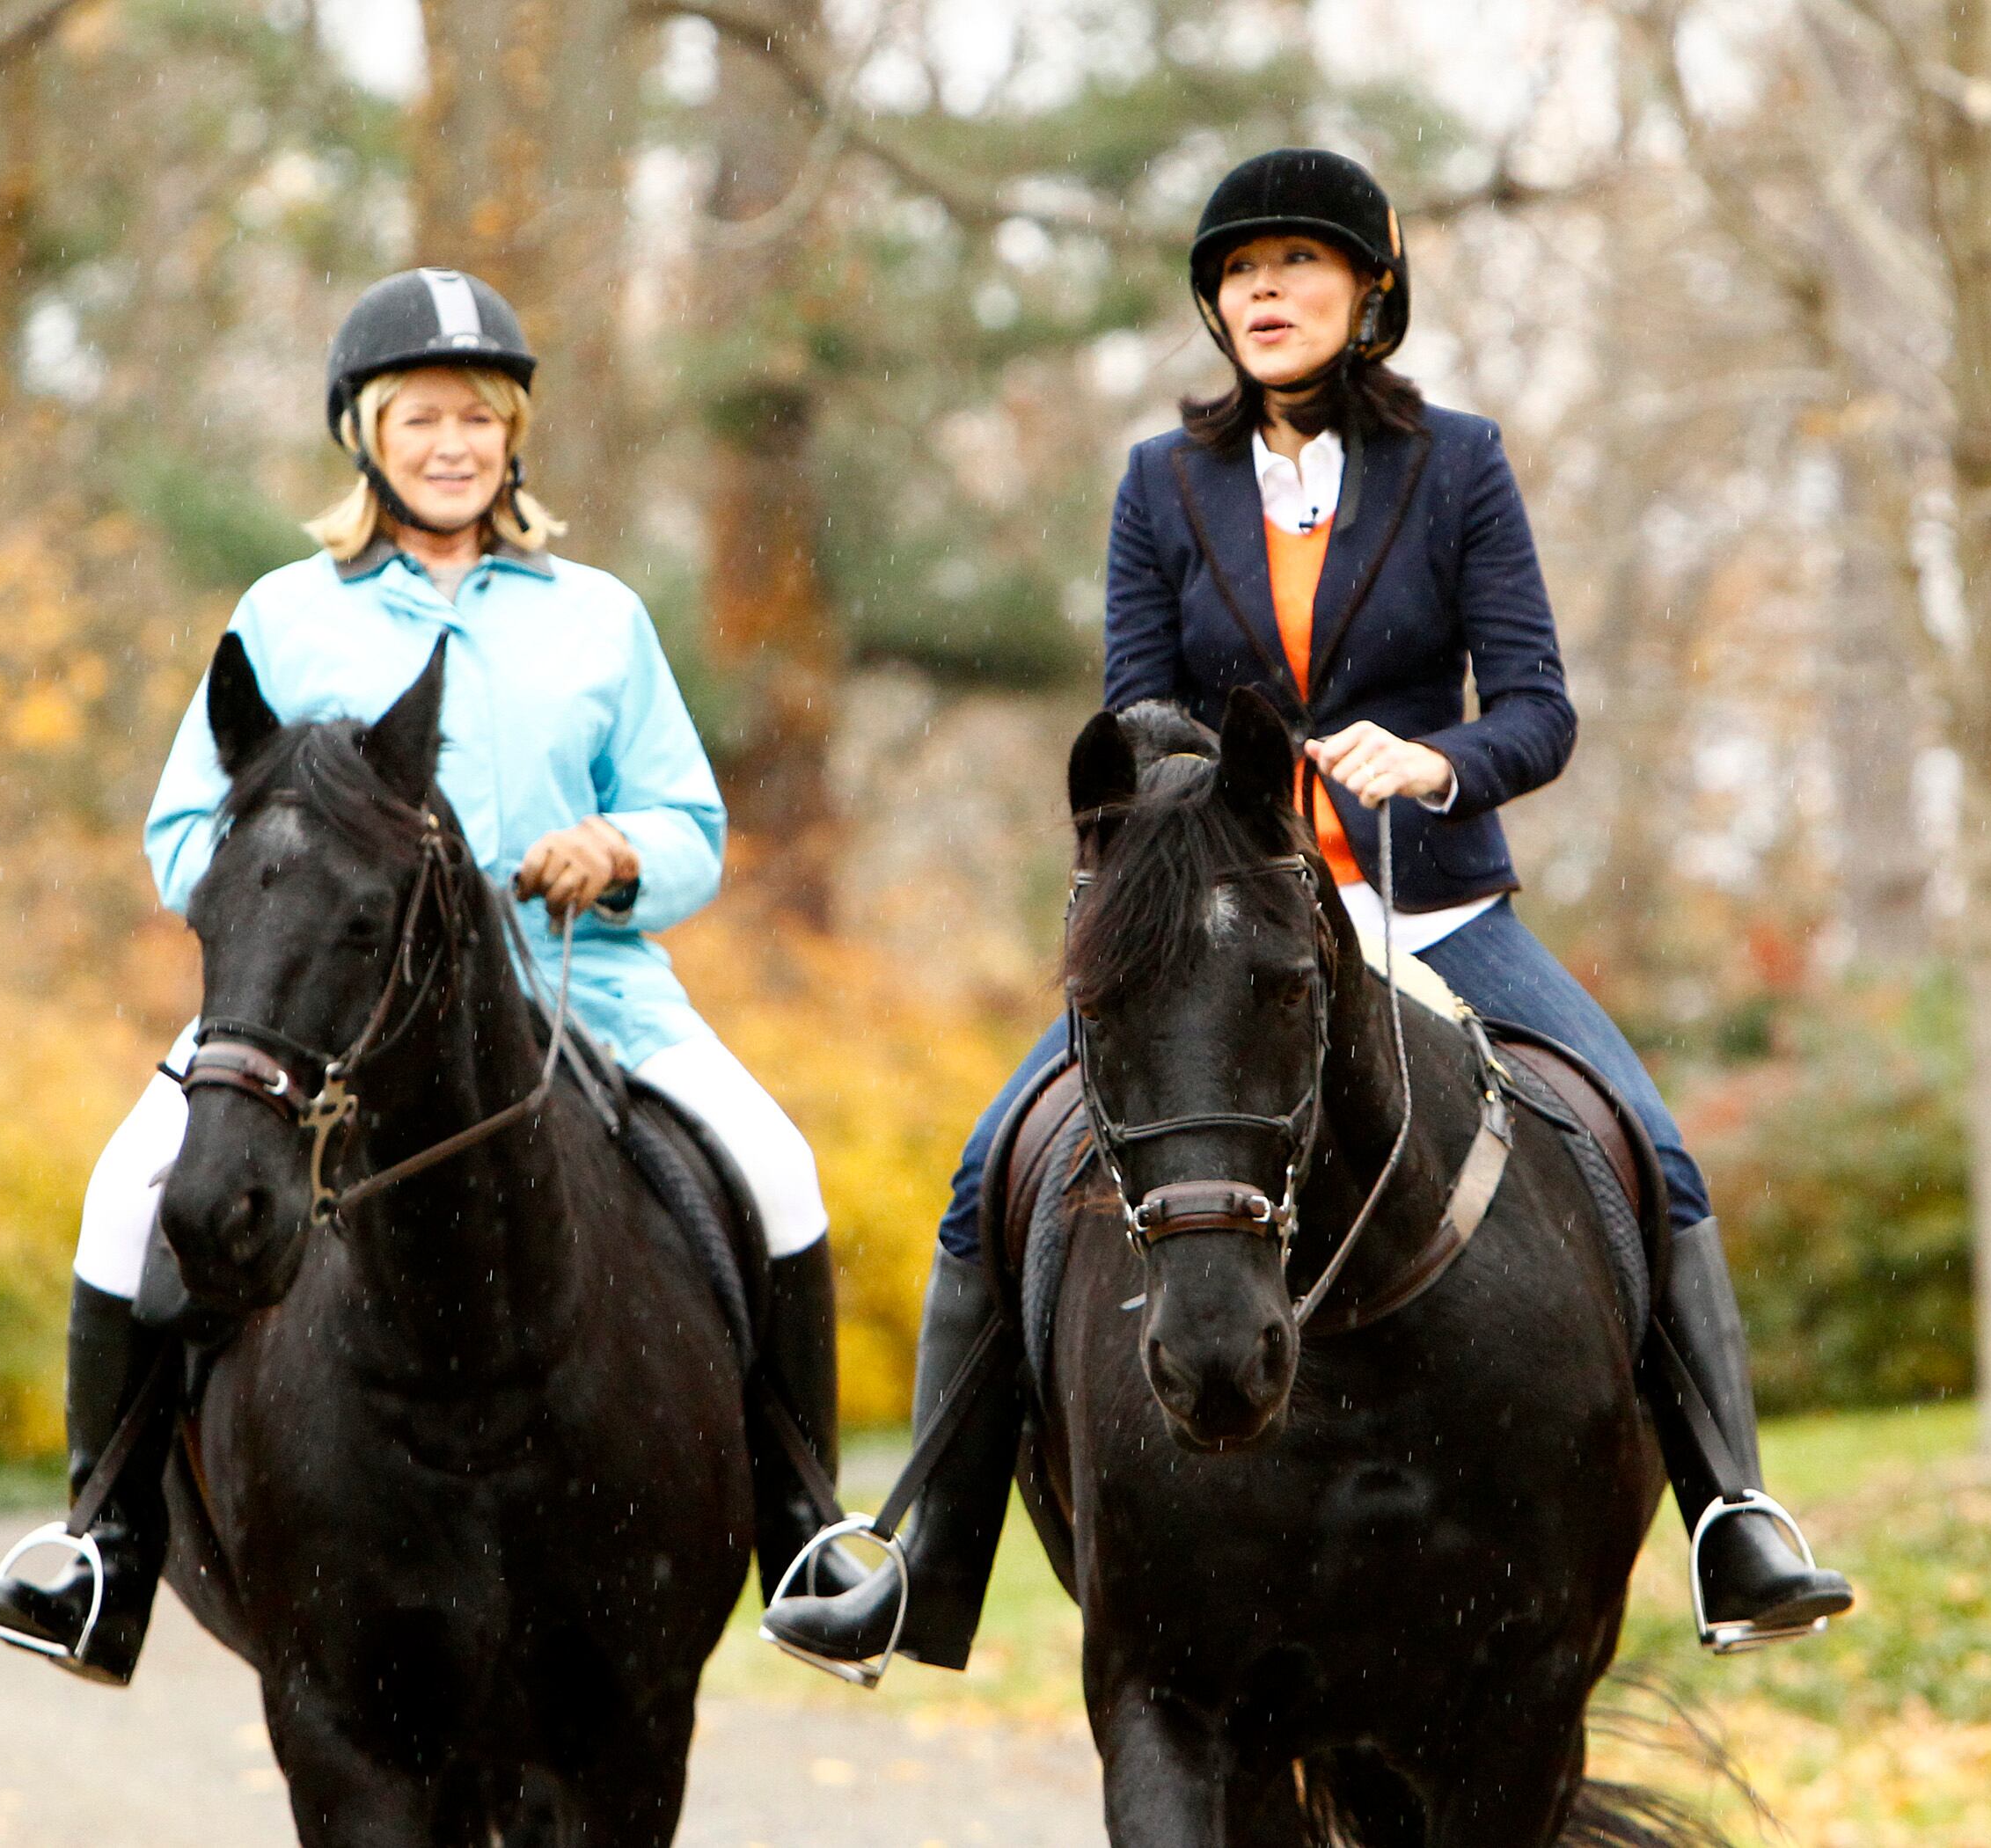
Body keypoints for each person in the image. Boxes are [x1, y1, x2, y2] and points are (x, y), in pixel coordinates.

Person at [761, 150, 1853, 1676]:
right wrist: (1225, 787)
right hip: (1227, 923)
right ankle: (921, 1548)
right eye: (1240, 271)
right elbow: (1136, 714)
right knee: (986, 1167)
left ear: (1369, 293)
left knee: (1645, 1143)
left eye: (1299, 265)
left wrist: (1439, 759)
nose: (1263, 292)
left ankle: (1734, 1515)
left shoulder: (1459, 465)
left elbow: (1538, 712)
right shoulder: (1162, 482)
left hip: (1433, 907)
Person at [0, 267, 848, 1684]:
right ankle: (102, 1547)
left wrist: (616, 849)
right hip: (320, 1021)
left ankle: (812, 1531)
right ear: (366, 435)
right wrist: (297, 892)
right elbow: (184, 827)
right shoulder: (283, 614)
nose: (454, 444)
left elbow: (693, 825)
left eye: (480, 419)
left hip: (589, 999)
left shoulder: (600, 619)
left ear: (516, 440)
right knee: (124, 1189)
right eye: (421, 417)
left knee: (782, 1167)